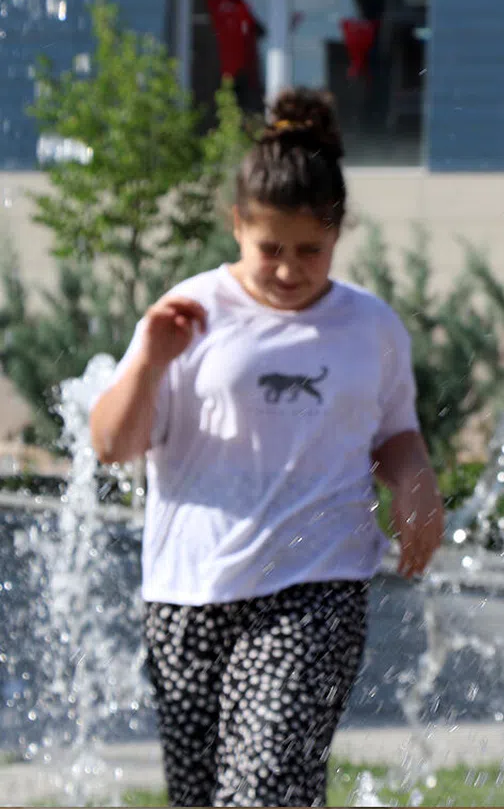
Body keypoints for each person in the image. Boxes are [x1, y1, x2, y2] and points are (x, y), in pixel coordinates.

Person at [88, 87, 446, 807]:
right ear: (237, 226)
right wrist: (151, 361)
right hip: (189, 590)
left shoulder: (369, 326)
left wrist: (415, 482)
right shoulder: (188, 312)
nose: (288, 269)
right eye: (269, 249)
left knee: (266, 785)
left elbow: (395, 434)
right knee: (202, 796)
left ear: (338, 234)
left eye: (309, 250)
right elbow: (112, 444)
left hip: (317, 586)